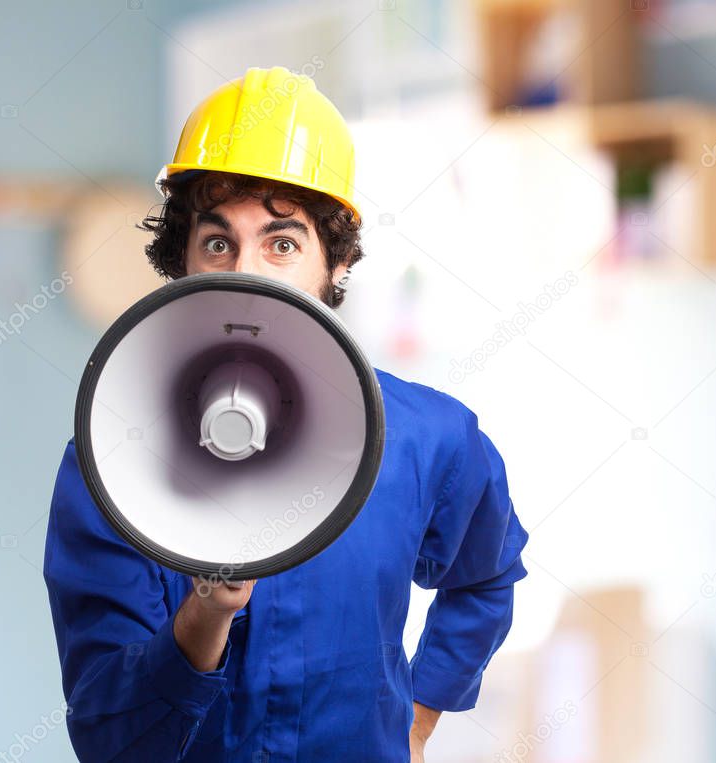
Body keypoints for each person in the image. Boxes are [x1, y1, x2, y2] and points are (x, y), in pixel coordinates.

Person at [42, 66, 529, 762]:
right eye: (218, 242)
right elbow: (109, 740)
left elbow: (486, 576)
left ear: (335, 263)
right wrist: (205, 615)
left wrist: (418, 718)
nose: (246, 273)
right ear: (180, 260)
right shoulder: (108, 462)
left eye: (282, 243)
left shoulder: (429, 438)